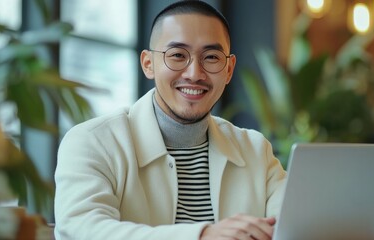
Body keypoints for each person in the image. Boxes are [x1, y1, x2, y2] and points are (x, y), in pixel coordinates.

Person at [54, 1, 286, 239]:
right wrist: (203, 235)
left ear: (228, 69)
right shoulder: (92, 142)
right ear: (148, 64)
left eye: (212, 57)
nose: (194, 74)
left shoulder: (256, 150)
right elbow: (82, 228)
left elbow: (297, 225)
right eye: (177, 55)